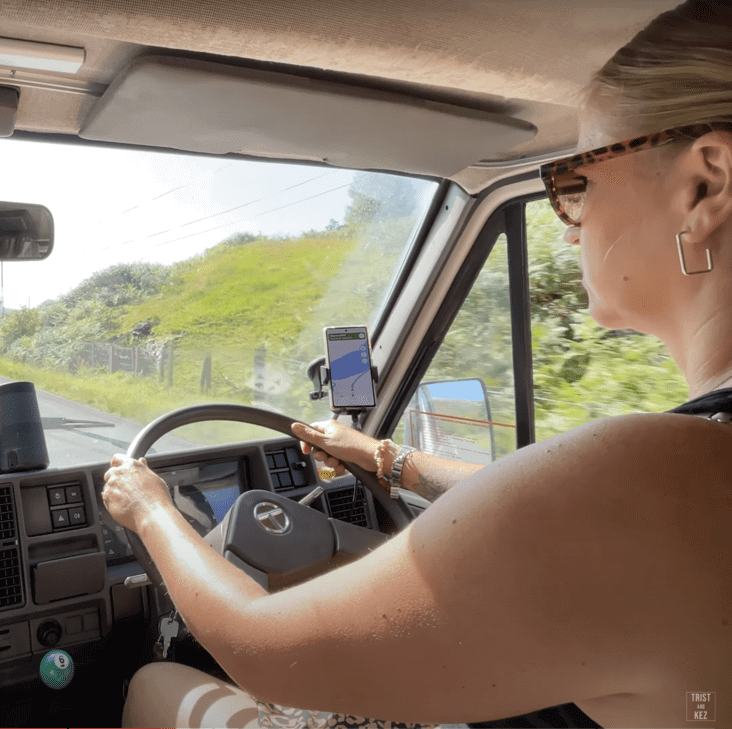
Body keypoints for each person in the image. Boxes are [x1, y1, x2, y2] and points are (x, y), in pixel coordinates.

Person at [103, 2, 732, 727]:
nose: (568, 230)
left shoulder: (650, 479)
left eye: (576, 183)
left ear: (705, 184)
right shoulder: (650, 484)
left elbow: (258, 645)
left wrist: (148, 507)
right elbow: (537, 501)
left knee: (154, 682)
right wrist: (388, 459)